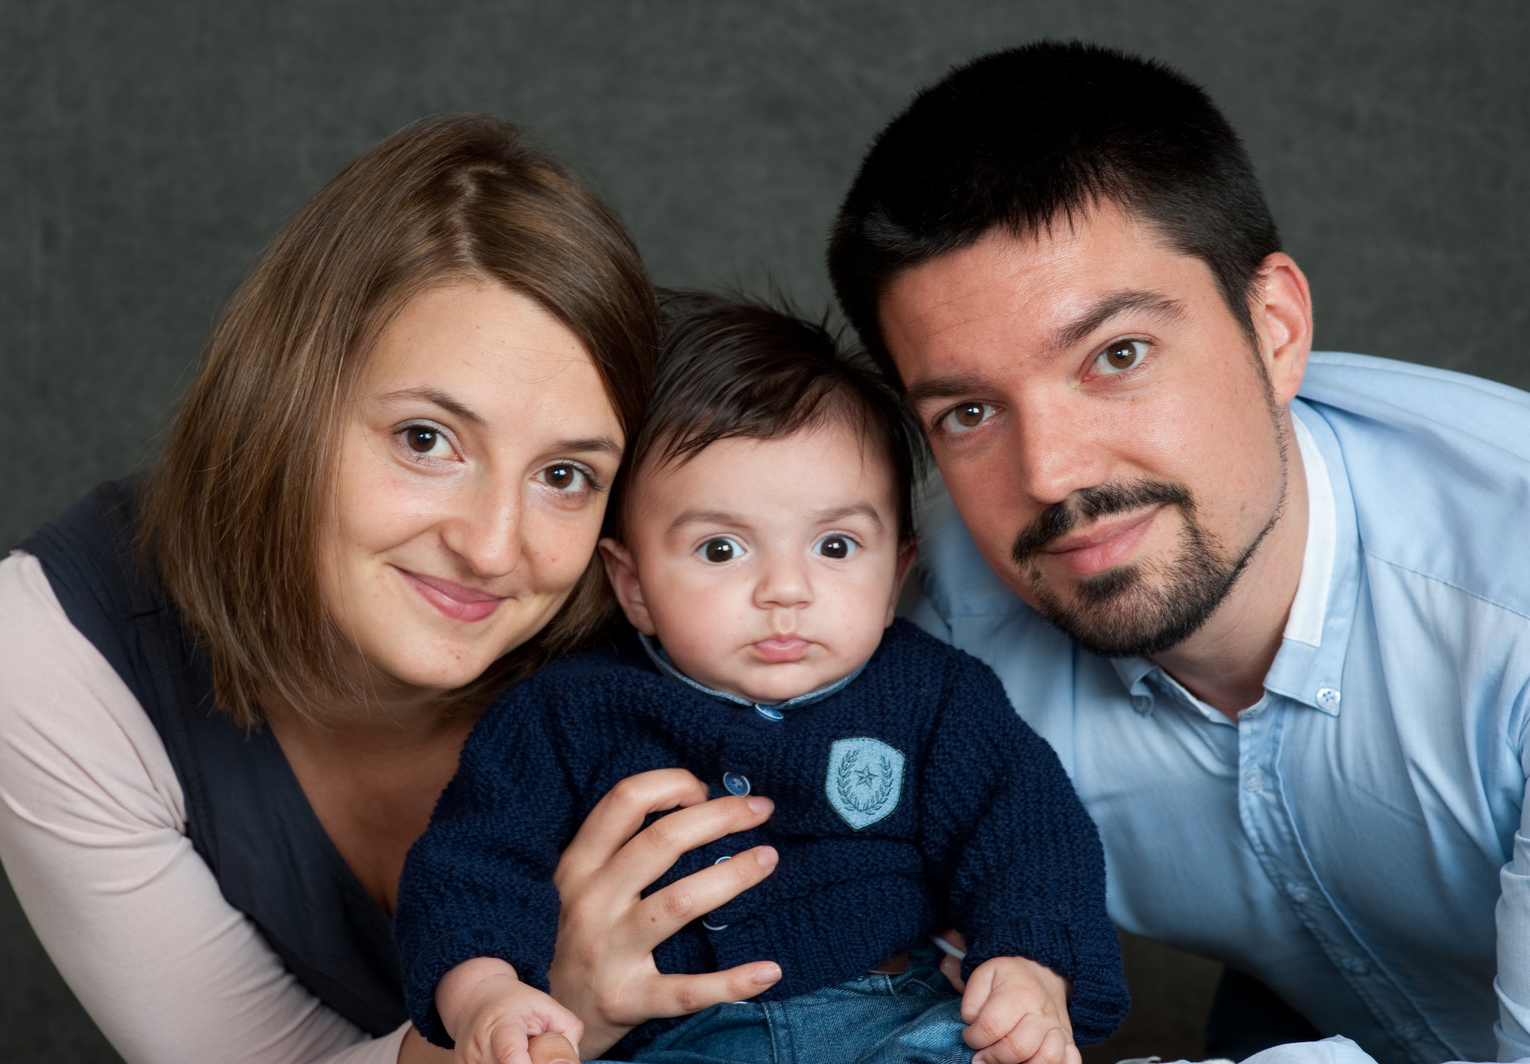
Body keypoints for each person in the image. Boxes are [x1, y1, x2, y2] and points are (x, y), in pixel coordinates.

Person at [0, 115, 787, 1064]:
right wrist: (554, 1010)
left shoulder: (695, 606)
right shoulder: (59, 651)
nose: (491, 547)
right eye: (426, 440)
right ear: (286, 401)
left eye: (564, 476)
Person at [827, 39, 1530, 1064]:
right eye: (969, 411)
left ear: (1274, 327)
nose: (1051, 474)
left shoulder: (1509, 602)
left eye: (1116, 355)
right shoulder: (936, 641)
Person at [392, 291, 1129, 1064]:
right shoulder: (567, 714)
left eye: (836, 547)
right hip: (670, 1040)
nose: (786, 590)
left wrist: (1030, 969)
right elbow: (474, 864)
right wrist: (486, 992)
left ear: (894, 575)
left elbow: (1028, 836)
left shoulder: (935, 697)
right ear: (633, 584)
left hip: (894, 1017)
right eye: (721, 550)